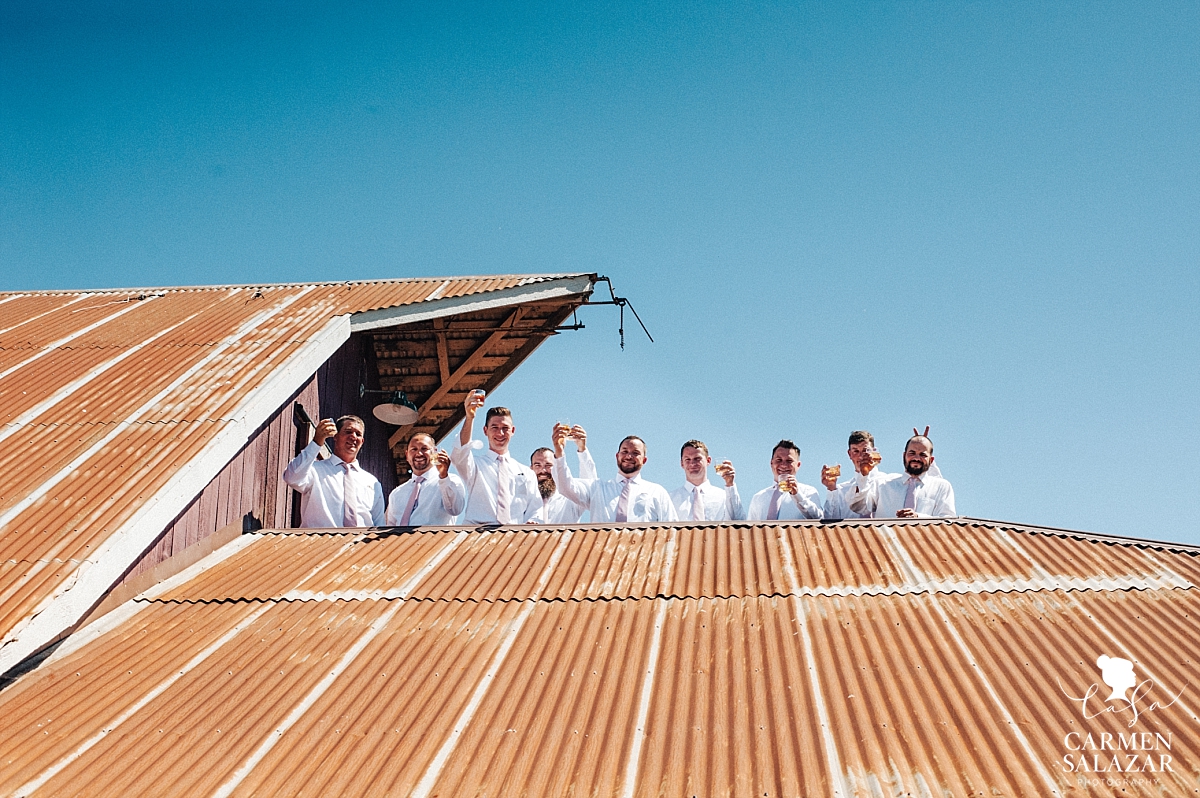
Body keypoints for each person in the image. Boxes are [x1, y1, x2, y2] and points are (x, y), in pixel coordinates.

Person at [552, 425, 678, 522]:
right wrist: (559, 452)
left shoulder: (657, 492)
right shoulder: (598, 489)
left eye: (635, 453)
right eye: (624, 451)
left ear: (644, 460)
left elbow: (671, 529)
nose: (629, 456)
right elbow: (565, 487)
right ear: (617, 456)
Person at [450, 391, 538, 524]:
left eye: (505, 428)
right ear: (485, 431)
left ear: (512, 431)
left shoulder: (526, 472)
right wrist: (469, 418)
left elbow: (535, 508)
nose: (500, 433)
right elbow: (460, 453)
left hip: (513, 537)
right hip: (476, 535)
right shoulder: (475, 466)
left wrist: (532, 523)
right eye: (494, 427)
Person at [282, 415, 385, 528]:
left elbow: (379, 525)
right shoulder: (314, 470)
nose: (353, 437)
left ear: (362, 441)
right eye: (348, 431)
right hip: (320, 543)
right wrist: (316, 442)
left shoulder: (372, 482)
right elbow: (291, 477)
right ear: (336, 436)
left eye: (358, 434)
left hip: (361, 544)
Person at [855, 435, 956, 518]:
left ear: (931, 460)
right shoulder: (882, 483)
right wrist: (863, 475)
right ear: (904, 455)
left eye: (923, 455)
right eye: (912, 453)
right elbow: (859, 507)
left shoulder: (941, 486)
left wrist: (919, 517)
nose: (916, 458)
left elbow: (948, 521)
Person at [385, 433, 466, 526]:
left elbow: (455, 509)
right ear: (407, 455)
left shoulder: (450, 481)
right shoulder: (397, 493)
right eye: (414, 449)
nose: (419, 454)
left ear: (434, 452)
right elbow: (388, 528)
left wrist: (444, 476)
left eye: (424, 449)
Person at [524, 425, 597, 523]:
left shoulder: (569, 498)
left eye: (548, 465)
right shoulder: (522, 498)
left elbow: (589, 485)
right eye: (538, 465)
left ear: (557, 466)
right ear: (531, 469)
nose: (543, 470)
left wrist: (582, 448)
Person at [745, 440, 823, 521]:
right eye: (779, 460)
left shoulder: (808, 491)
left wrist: (797, 494)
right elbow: (751, 530)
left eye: (789, 461)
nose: (783, 465)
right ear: (771, 463)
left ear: (798, 465)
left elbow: (819, 520)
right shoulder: (758, 497)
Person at [669, 439, 743, 521]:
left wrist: (730, 484)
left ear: (708, 461)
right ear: (682, 463)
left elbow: (739, 522)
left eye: (697, 459)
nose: (692, 463)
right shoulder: (670, 499)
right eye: (687, 459)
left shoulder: (724, 496)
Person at [821, 430, 888, 520]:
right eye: (856, 451)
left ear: (874, 452)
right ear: (850, 454)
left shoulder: (887, 483)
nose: (860, 456)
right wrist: (831, 489)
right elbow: (830, 523)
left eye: (865, 451)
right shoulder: (842, 491)